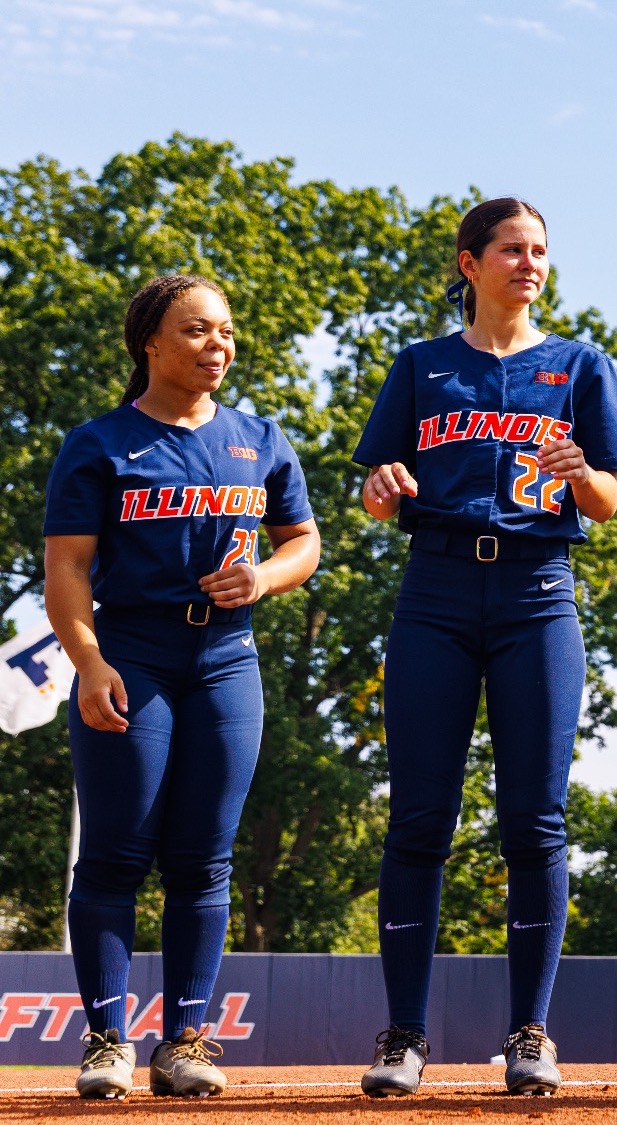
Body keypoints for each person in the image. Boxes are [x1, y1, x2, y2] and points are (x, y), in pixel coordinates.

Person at [353, 198, 617, 1098]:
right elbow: (375, 483)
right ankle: (402, 1035)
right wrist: (382, 485)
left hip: (537, 591)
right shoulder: (422, 365)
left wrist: (580, 474)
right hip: (434, 588)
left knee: (535, 821)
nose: (530, 262)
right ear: (469, 263)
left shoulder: (580, 364)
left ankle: (530, 1032)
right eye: (512, 249)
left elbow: (608, 501)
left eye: (541, 250)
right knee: (419, 820)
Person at [46, 275, 320, 1099]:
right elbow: (66, 568)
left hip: (228, 662)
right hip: (132, 655)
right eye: (198, 330)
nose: (218, 344)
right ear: (150, 343)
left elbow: (303, 541)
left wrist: (265, 578)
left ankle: (186, 1044)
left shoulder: (261, 437)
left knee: (205, 859)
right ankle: (106, 1043)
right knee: (116, 854)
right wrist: (89, 661)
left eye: (227, 331)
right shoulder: (99, 443)